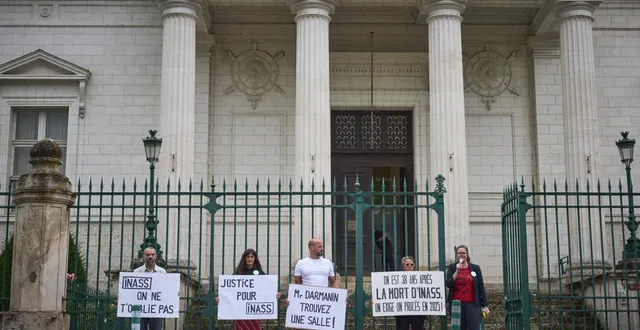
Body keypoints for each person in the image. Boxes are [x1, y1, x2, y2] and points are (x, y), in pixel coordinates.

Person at [215, 248, 280, 330]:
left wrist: (274, 295)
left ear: (254, 259)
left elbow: (267, 288)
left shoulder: (259, 273)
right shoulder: (238, 273)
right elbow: (230, 291)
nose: (250, 259)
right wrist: (221, 299)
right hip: (240, 311)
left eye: (252, 257)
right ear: (244, 258)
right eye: (248, 257)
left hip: (254, 312)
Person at [445, 245, 489, 330]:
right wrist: (457, 271)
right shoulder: (452, 267)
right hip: (457, 305)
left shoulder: (475, 268)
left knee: (474, 327)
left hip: (473, 305)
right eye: (459, 253)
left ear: (467, 254)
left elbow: (480, 287)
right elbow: (449, 284)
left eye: (463, 253)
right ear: (456, 255)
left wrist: (485, 305)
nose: (461, 255)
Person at [134, 247, 166, 330]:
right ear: (144, 256)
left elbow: (166, 289)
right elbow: (132, 290)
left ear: (156, 256)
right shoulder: (137, 272)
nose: (150, 257)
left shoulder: (162, 272)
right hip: (141, 307)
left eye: (152, 254)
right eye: (148, 255)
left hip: (156, 308)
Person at [394, 256, 425, 330]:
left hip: (417, 311)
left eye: (411, 264)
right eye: (407, 264)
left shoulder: (421, 278)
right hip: (402, 312)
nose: (410, 266)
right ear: (403, 267)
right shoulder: (396, 279)